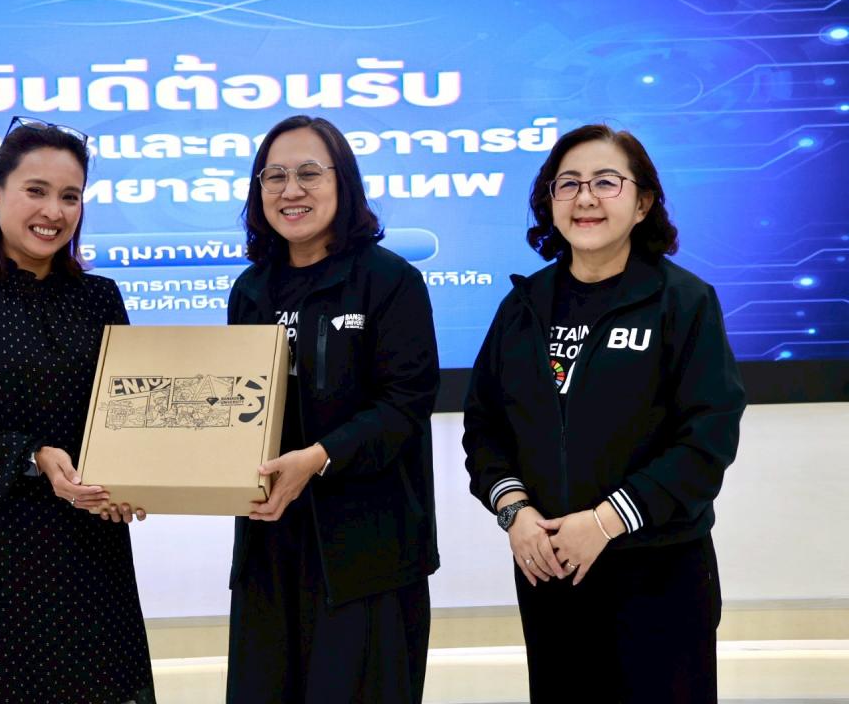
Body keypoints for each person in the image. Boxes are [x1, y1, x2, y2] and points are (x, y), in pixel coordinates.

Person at [463, 123, 746, 703]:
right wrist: (515, 514)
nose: (585, 198)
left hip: (659, 572)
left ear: (642, 203)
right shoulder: (523, 307)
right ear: (549, 202)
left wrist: (604, 522)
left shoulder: (683, 301)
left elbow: (707, 440)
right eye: (567, 184)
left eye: (605, 182)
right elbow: (484, 427)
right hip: (551, 572)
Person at [0, 116, 155, 703]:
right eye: (36, 190)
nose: (54, 211)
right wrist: (34, 456)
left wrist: (137, 477)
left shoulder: (100, 297)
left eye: (70, 196)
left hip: (88, 535)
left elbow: (126, 409)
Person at [225, 115, 441, 703]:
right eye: (274, 176)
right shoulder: (250, 291)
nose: (290, 190)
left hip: (367, 553)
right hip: (270, 548)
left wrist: (320, 457)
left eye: (309, 174)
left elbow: (406, 403)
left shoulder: (389, 280)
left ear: (343, 182)